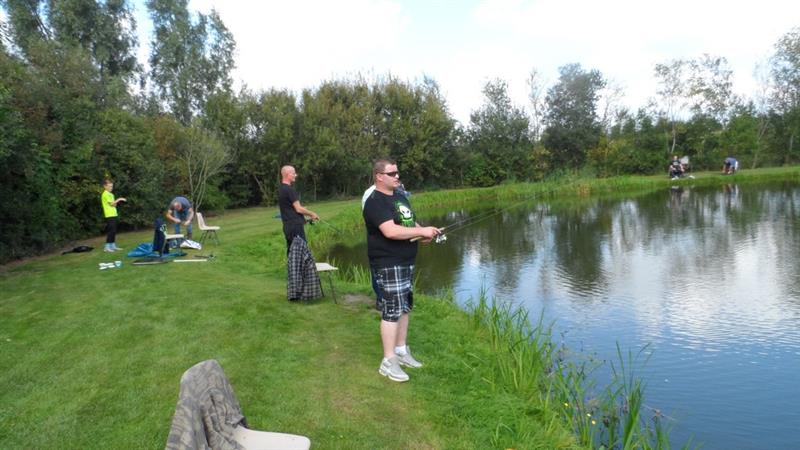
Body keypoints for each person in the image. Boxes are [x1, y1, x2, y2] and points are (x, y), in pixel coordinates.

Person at [363, 159, 441, 382]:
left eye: (397, 172)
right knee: (392, 310)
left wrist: (424, 232)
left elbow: (409, 224)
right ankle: (388, 361)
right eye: (392, 173)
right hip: (388, 262)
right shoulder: (375, 201)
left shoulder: (399, 196)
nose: (397, 176)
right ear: (379, 176)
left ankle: (401, 351)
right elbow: (390, 231)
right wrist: (421, 231)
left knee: (404, 307)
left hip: (406, 260)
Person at [278, 165, 319, 252]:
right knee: (302, 252)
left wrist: (302, 209)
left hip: (287, 227)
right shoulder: (290, 190)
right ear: (287, 174)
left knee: (292, 252)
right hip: (295, 227)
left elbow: (289, 207)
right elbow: (298, 209)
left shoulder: (281, 189)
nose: (295, 175)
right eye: (293, 173)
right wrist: (312, 214)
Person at [101, 179, 126, 252]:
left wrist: (114, 202)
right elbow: (112, 204)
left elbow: (114, 204)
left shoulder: (111, 195)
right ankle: (107, 247)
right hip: (109, 215)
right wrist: (119, 199)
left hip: (114, 214)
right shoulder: (105, 194)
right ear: (105, 186)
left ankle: (113, 245)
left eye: (112, 186)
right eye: (109, 186)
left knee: (114, 231)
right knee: (111, 231)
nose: (111, 188)